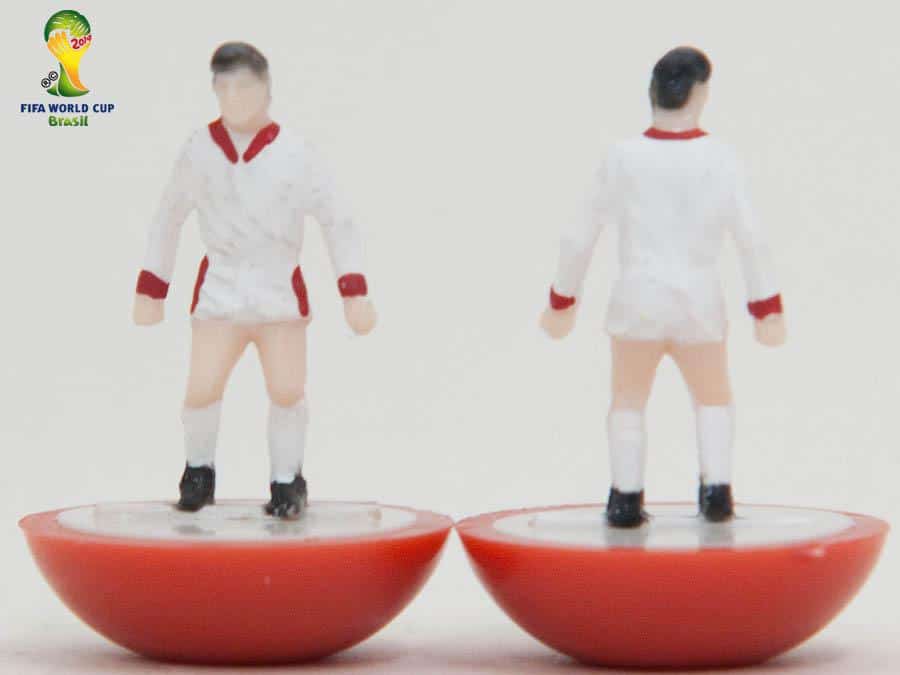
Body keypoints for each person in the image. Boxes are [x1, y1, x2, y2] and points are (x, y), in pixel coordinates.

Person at [541, 46, 786, 528]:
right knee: (712, 397)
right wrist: (767, 307)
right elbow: (751, 237)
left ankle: (625, 497)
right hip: (698, 305)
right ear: (699, 95)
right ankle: (716, 493)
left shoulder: (622, 157)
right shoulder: (720, 157)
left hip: (638, 302)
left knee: (627, 401)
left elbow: (579, 235)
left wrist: (562, 300)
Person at [133, 42, 376, 519]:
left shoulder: (296, 152)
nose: (234, 98)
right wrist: (152, 287)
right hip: (219, 294)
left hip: (278, 295)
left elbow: (337, 220)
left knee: (286, 391)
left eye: (244, 86)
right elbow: (168, 217)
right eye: (223, 88)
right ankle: (198, 471)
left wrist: (354, 291)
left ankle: (287, 480)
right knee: (202, 388)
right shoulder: (199, 151)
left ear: (265, 89)